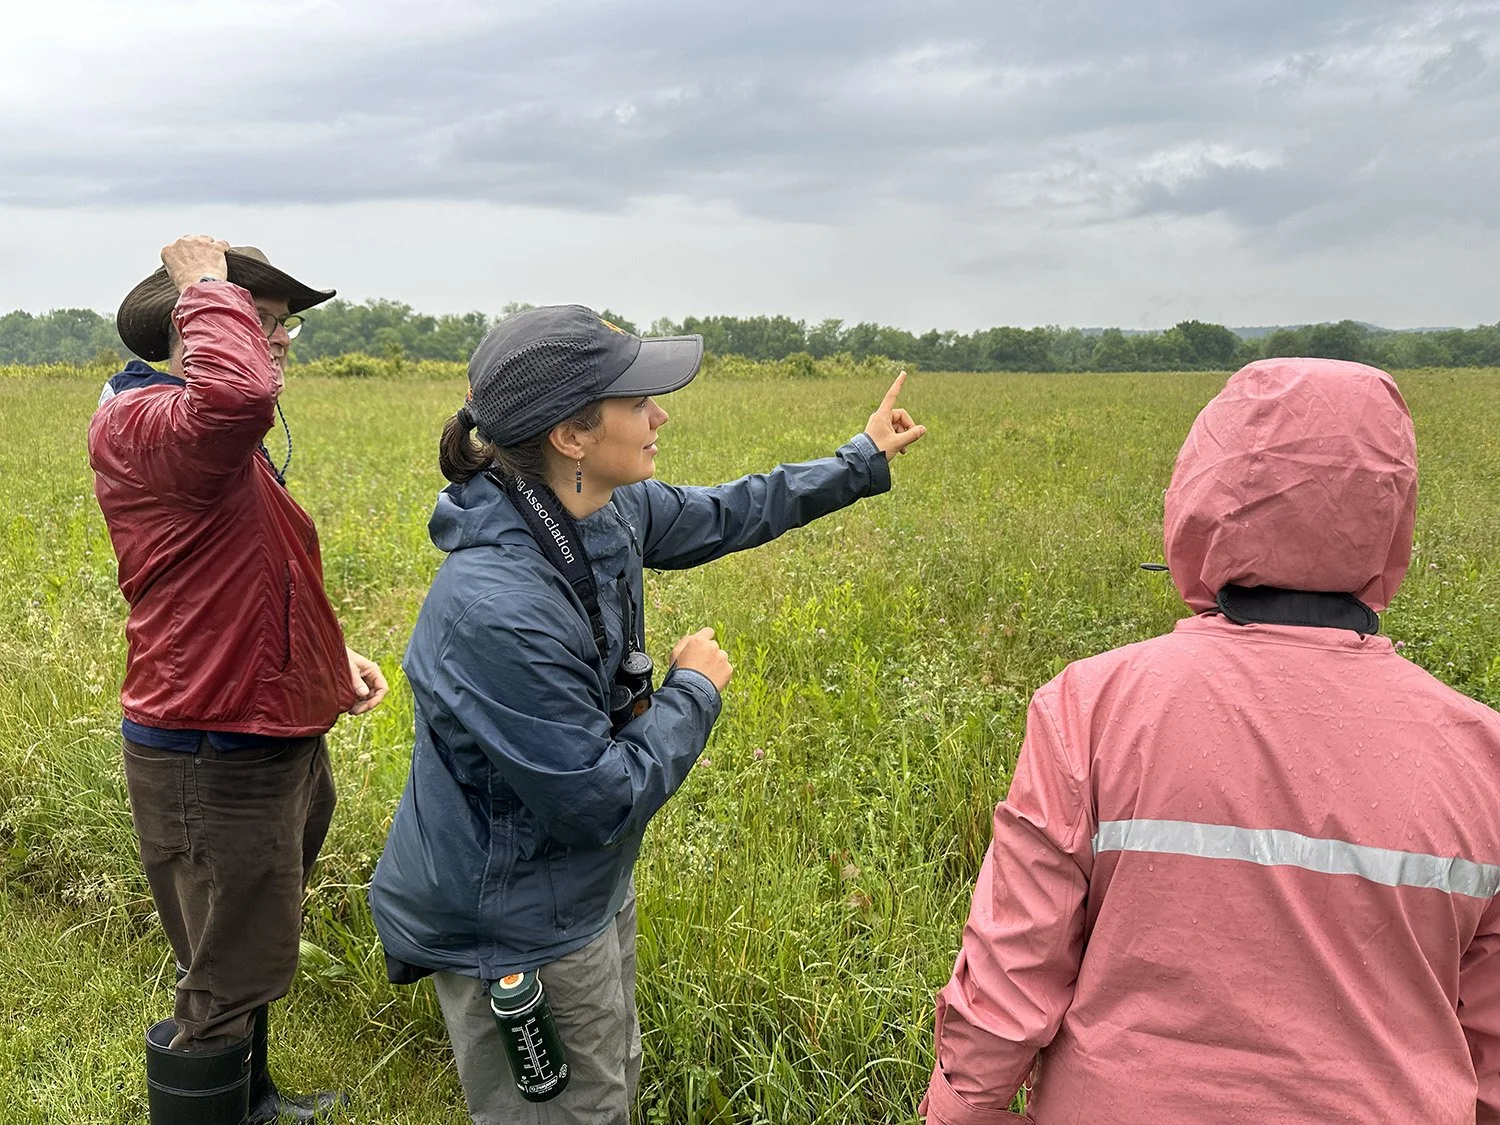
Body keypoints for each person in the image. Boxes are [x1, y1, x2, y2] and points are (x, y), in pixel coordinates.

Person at [369, 304, 925, 1123]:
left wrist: (859, 459)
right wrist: (692, 690)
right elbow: (597, 798)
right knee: (571, 1109)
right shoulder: (497, 609)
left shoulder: (600, 509)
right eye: (638, 403)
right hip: (518, 917)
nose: (660, 415)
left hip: (578, 882)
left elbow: (731, 510)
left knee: (611, 1069)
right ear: (572, 435)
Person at [921, 357, 1500, 1124]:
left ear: (1205, 495)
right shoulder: (1482, 753)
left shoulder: (1090, 708)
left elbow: (1010, 972)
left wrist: (958, 1111)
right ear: (1391, 513)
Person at [89, 234, 389, 1124]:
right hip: (210, 742)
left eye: (284, 323)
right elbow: (240, 397)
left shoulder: (199, 439)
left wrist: (331, 663)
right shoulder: (144, 423)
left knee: (247, 943)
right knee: (222, 975)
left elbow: (240, 578)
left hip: (258, 727)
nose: (282, 338)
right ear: (189, 326)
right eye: (259, 318)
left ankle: (250, 1101)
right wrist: (204, 286)